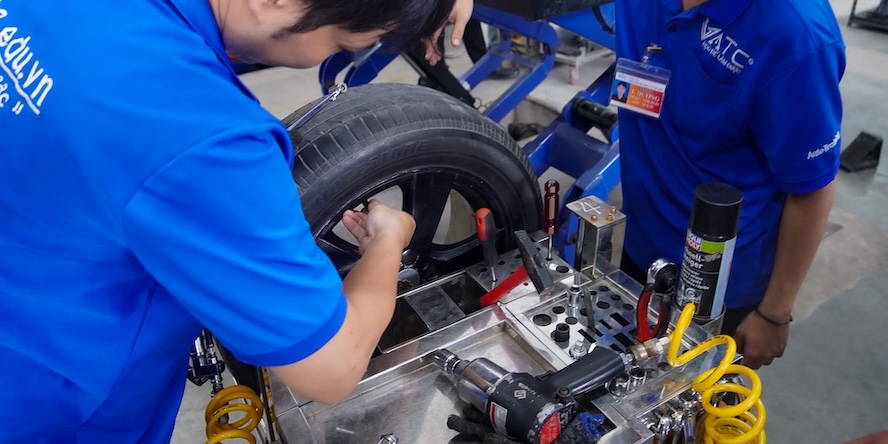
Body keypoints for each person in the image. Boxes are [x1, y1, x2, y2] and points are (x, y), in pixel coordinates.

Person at [0, 0, 473, 441]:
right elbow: (334, 366)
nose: (332, 55)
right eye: (342, 44)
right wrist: (390, 239)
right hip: (47, 412)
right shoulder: (203, 139)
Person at [614, 0, 845, 369]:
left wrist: (773, 313)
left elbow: (811, 187)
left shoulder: (796, 38)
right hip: (639, 246)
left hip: (718, 288)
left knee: (694, 398)